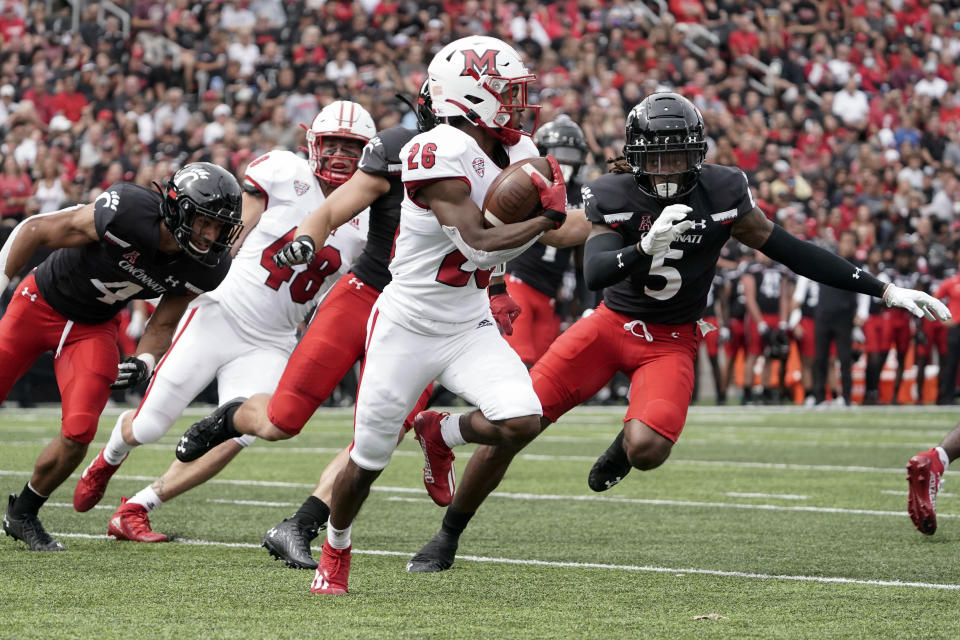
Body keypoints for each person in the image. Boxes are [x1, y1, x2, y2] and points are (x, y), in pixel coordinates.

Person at [404, 91, 951, 574]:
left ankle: (626, 438)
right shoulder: (613, 193)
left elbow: (788, 249)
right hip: (608, 326)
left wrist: (883, 290)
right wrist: (643, 249)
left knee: (647, 449)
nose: (667, 166)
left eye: (679, 153)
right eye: (657, 154)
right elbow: (595, 273)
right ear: (636, 155)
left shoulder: (722, 190)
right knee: (513, 427)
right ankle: (448, 534)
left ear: (699, 153)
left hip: (672, 338)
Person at [176, 35, 575, 594]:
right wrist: (306, 239)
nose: (516, 102)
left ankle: (427, 441)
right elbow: (476, 241)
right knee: (328, 440)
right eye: (505, 91)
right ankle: (319, 526)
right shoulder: (422, 149)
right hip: (389, 307)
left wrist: (627, 225)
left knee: (519, 421)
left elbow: (541, 227)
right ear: (469, 94)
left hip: (465, 320)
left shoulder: (519, 150)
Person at [69, 101, 376, 541]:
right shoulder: (284, 171)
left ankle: (137, 507)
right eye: (334, 143)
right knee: (151, 424)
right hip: (222, 311)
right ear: (313, 142)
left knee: (243, 433)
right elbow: (231, 236)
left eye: (352, 146)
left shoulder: (368, 216)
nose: (342, 155)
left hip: (273, 339)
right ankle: (110, 456)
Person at [0, 161, 243, 551]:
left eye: (219, 227)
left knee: (79, 432)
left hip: (93, 327)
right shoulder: (128, 211)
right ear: (178, 208)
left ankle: (24, 512)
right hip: (38, 302)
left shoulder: (208, 265)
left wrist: (144, 361)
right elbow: (34, 229)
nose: (210, 236)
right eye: (204, 222)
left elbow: (164, 322)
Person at [504, 114, 588, 365]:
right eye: (559, 151)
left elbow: (583, 257)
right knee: (520, 360)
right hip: (519, 280)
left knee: (542, 369)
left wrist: (586, 302)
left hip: (551, 291)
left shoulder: (584, 194)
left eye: (571, 153)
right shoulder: (527, 185)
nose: (565, 160)